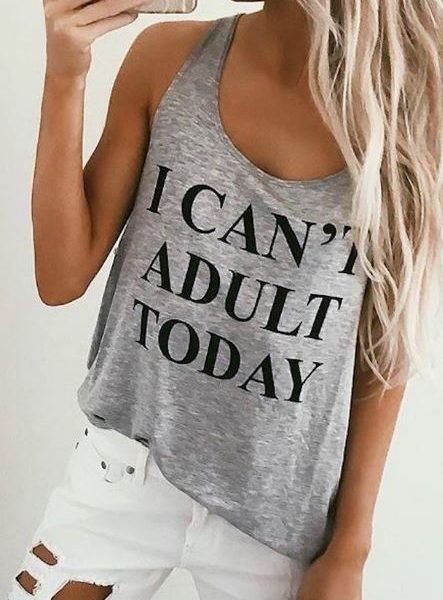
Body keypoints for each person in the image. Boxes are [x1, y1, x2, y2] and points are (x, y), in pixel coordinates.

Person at [9, 0, 442, 599]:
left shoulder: (404, 114)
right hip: (124, 472)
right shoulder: (167, 61)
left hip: (278, 515)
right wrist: (66, 73)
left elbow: (383, 346)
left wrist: (350, 547)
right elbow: (60, 277)